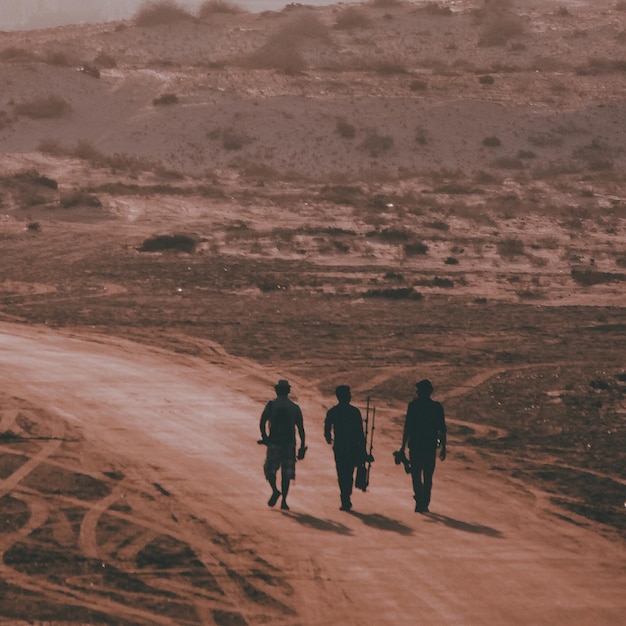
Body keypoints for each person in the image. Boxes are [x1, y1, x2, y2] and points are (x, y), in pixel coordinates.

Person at [399, 379, 447, 513]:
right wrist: (444, 447)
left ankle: (420, 499)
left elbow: (407, 427)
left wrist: (403, 446)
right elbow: (442, 429)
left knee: (416, 474)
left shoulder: (413, 406)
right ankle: (424, 501)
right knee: (427, 476)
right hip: (429, 446)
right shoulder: (436, 407)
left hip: (416, 445)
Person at [259, 379, 306, 511]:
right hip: (289, 444)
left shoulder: (271, 405)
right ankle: (284, 501)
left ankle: (275, 490)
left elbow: (262, 422)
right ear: (288, 391)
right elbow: (301, 428)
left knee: (270, 470)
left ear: (276, 390)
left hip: (274, 442)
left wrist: (265, 437)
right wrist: (302, 445)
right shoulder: (295, 407)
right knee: (286, 474)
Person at [324, 385, 371, 512]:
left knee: (341, 472)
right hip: (352, 447)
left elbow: (327, 428)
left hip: (339, 447)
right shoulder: (354, 412)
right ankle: (346, 496)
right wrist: (363, 450)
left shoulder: (333, 411)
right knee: (349, 473)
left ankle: (345, 498)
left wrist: (329, 438)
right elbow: (360, 433)